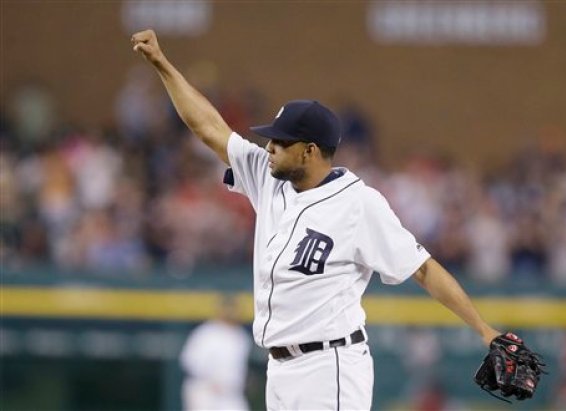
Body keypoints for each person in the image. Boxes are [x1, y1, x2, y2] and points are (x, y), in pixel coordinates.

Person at [131, 29, 501, 410]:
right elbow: (208, 128)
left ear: (309, 151)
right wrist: (162, 64)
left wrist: (484, 331)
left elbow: (423, 270)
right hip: (280, 370)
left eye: (280, 142)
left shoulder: (359, 204)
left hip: (330, 367)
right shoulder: (267, 178)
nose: (269, 148)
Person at [179, 295, 252, 411]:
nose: (230, 313)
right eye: (227, 309)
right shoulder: (206, 332)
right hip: (205, 391)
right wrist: (209, 380)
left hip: (231, 393)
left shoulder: (241, 337)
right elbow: (189, 361)